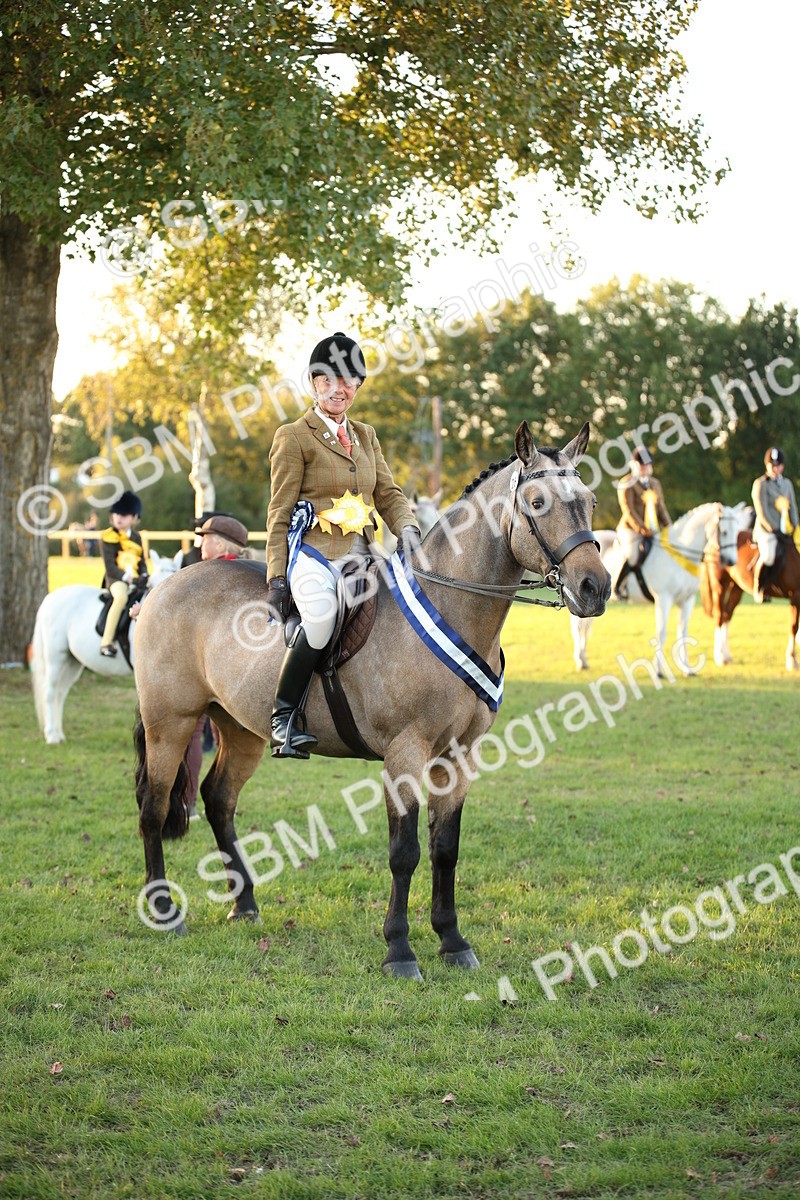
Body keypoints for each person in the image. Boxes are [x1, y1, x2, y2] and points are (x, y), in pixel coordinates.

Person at [265, 332, 421, 759]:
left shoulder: (367, 436)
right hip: (314, 553)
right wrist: (277, 576)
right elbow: (278, 512)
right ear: (314, 383)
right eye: (330, 380)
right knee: (320, 618)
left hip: (362, 554)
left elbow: (388, 494)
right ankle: (283, 718)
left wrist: (407, 529)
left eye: (350, 381)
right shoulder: (294, 436)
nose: (340, 389)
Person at [613, 446, 672, 600]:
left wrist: (670, 528)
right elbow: (628, 510)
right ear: (634, 464)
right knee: (633, 553)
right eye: (641, 464)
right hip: (630, 529)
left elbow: (662, 509)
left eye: (646, 464)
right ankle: (619, 587)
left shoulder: (655, 484)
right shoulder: (627, 483)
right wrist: (642, 529)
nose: (644, 467)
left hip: (653, 528)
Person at [99, 491, 147, 657]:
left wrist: (145, 575)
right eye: (117, 514)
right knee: (121, 598)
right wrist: (126, 577)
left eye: (124, 515)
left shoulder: (137, 537)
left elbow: (142, 562)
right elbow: (109, 566)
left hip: (135, 580)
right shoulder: (108, 536)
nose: (119, 518)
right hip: (116, 580)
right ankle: (106, 642)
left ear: (134, 518)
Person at [751, 446, 798, 603]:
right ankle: (759, 587)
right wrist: (773, 529)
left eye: (778, 465)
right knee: (769, 555)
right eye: (772, 465)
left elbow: (793, 508)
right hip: (766, 530)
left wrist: (796, 527)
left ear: (782, 467)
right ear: (767, 466)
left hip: (786, 530)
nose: (775, 468)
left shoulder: (787, 484)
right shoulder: (761, 484)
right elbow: (761, 511)